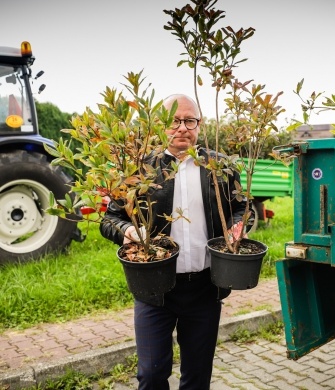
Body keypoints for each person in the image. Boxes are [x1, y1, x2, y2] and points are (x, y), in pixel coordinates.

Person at [100, 94, 249, 389]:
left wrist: (238, 227)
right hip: (154, 290)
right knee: (152, 375)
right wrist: (132, 233)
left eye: (189, 120)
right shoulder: (139, 168)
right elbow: (109, 219)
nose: (182, 128)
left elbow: (241, 207)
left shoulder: (219, 166)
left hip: (205, 287)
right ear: (160, 125)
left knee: (197, 376)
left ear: (200, 124)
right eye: (174, 122)